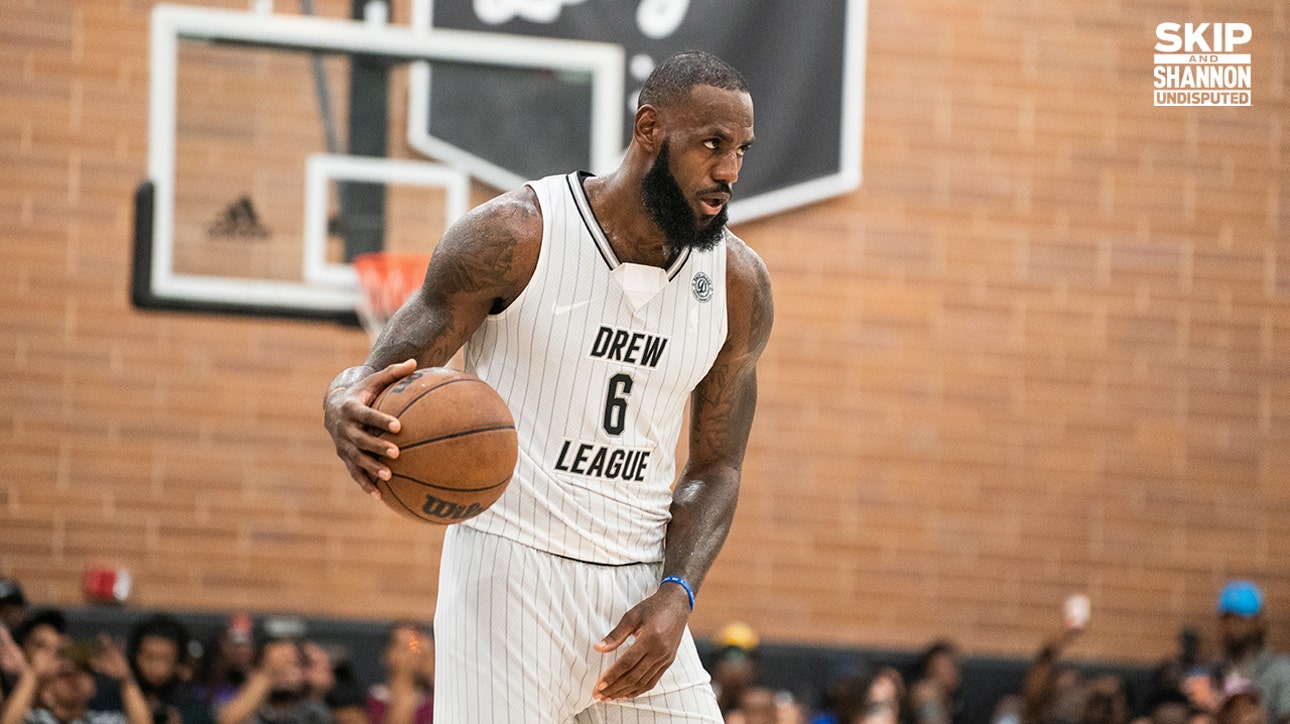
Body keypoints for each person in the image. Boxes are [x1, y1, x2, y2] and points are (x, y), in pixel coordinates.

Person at [324, 49, 771, 723]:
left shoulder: (738, 286)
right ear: (650, 129)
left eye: (741, 149)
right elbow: (375, 379)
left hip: (640, 587)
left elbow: (717, 466)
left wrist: (679, 591)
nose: (728, 171)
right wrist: (340, 400)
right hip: (507, 575)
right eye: (712, 144)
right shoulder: (515, 235)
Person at [0, 634, 149, 724]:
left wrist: (126, 680)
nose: (75, 679)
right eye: (64, 674)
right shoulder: (35, 718)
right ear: (48, 688)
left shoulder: (103, 720)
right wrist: (32, 677)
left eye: (84, 671)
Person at [1202, 581, 1290, 724]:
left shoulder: (1282, 670)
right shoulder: (1214, 669)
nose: (1232, 626)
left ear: (1259, 621)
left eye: (1240, 619)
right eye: (1227, 619)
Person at [364, 622, 432, 724]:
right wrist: (405, 678)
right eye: (405, 648)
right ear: (389, 654)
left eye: (416, 647)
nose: (414, 654)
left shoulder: (435, 702)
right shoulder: (373, 700)